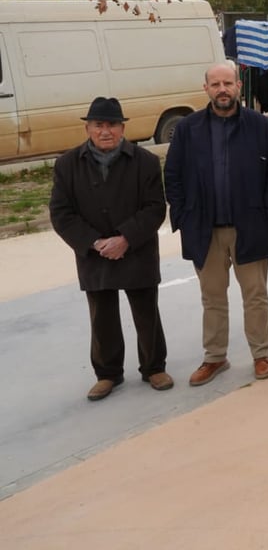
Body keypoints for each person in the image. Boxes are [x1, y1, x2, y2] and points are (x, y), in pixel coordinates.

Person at [164, 61, 268, 386]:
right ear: (206, 88)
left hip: (250, 226)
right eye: (215, 84)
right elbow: (172, 175)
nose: (222, 90)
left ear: (238, 87)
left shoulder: (259, 126)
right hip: (204, 230)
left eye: (227, 83)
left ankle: (261, 354)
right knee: (212, 298)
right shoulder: (188, 129)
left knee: (255, 295)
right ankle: (215, 358)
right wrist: (184, 216)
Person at [49, 97, 171, 401]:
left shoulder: (145, 161)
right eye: (99, 125)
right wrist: (94, 243)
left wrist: (125, 238)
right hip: (95, 253)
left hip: (137, 249)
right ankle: (107, 374)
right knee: (101, 315)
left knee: (146, 312)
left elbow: (155, 208)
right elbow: (61, 213)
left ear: (122, 128)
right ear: (88, 128)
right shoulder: (67, 165)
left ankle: (154, 367)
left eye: (112, 125)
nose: (106, 131)